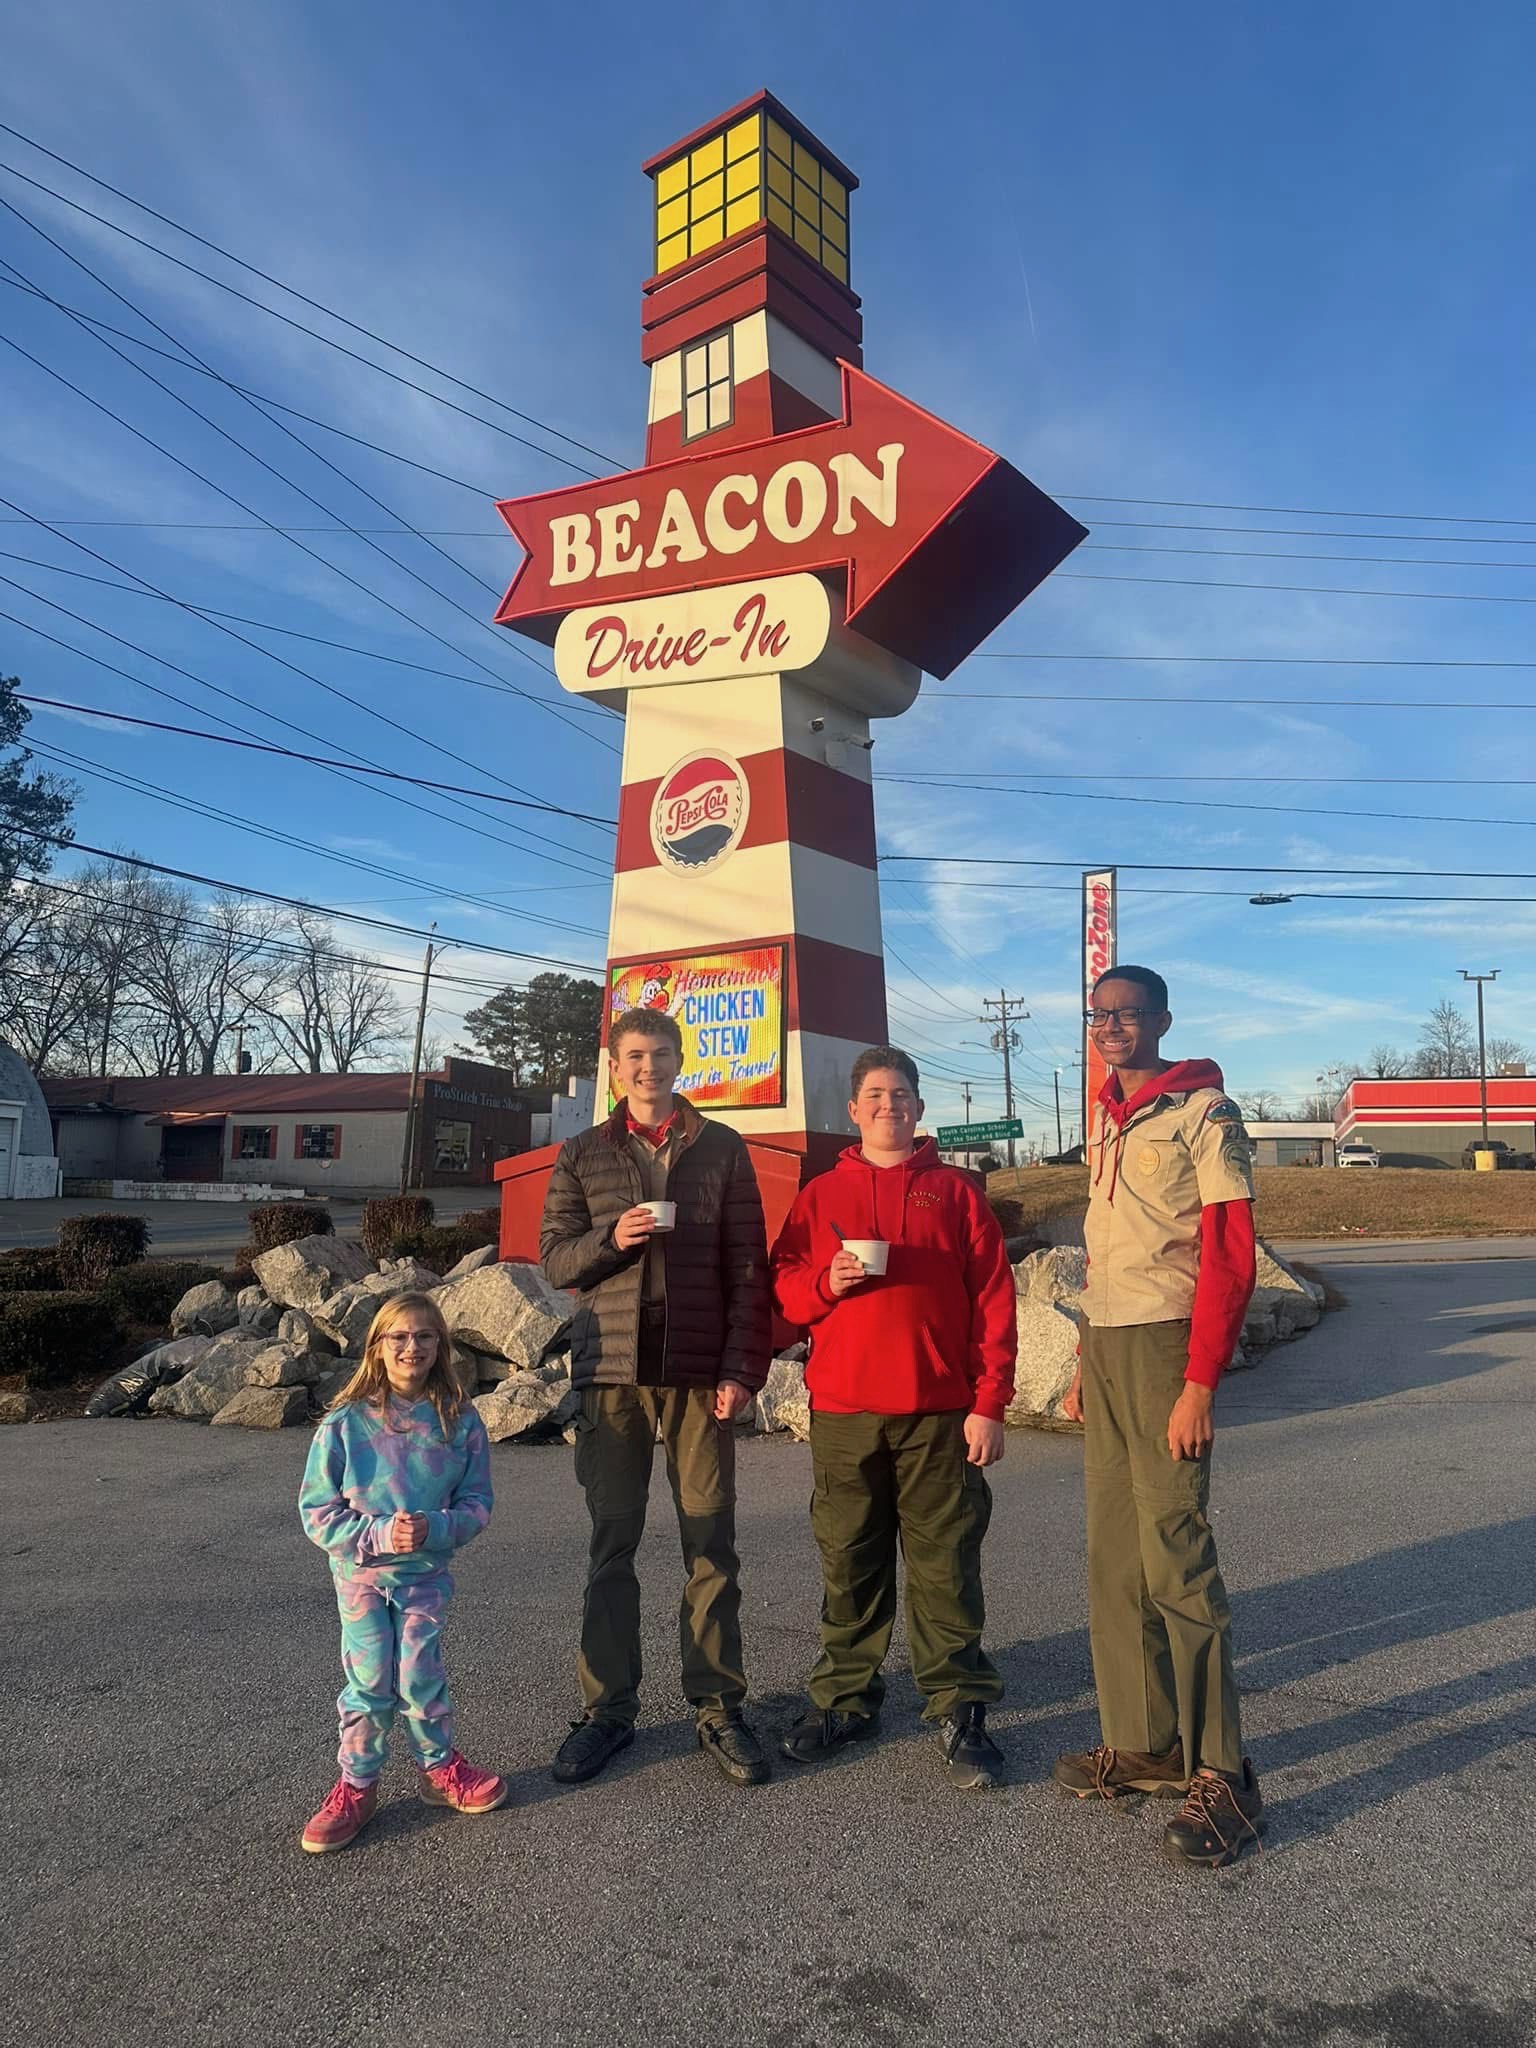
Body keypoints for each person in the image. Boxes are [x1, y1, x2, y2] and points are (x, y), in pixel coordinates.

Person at [1056, 965, 1263, 1868]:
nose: (1111, 1027)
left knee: (1177, 1555)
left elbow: (1230, 1254)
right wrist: (1082, 1359)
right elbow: (1107, 1251)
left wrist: (1200, 1382)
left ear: (1162, 1021)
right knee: (1115, 1557)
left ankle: (1225, 1773)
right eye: (1099, 1014)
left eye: (1128, 1014)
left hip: (1168, 1349)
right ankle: (1145, 1742)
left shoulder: (1204, 1114)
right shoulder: (1106, 1114)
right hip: (1107, 1347)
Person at [769, 1046, 1016, 1787]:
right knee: (850, 1560)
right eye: (875, 1095)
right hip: (844, 1410)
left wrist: (989, 1403)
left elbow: (994, 1301)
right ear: (854, 1109)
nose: (889, 1105)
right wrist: (825, 1281)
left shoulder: (957, 1193)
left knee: (946, 1564)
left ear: (918, 1107)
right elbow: (784, 1292)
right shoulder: (820, 1195)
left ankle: (959, 1705)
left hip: (939, 1412)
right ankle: (846, 1699)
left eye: (901, 1093)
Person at [539, 1006, 772, 1787]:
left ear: (680, 1060)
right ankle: (607, 1711)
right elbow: (554, 1261)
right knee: (613, 1544)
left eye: (662, 1053)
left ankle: (718, 1706)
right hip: (611, 1372)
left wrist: (742, 1370)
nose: (649, 1067)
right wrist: (614, 1240)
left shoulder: (722, 1147)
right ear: (614, 1067)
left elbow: (750, 1268)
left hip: (700, 1372)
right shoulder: (582, 1152)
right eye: (635, 1055)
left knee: (711, 1543)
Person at [297, 1292, 504, 1855]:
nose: (412, 1346)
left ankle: (439, 1770)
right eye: (400, 1337)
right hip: (361, 1578)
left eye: (425, 1336)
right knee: (369, 1682)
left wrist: (435, 1528)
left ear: (441, 1345)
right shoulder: (344, 1423)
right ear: (378, 1346)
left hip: (423, 1577)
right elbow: (317, 1512)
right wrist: (380, 1535)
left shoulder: (459, 1421)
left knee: (419, 1674)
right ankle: (357, 1786)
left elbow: (477, 1503)